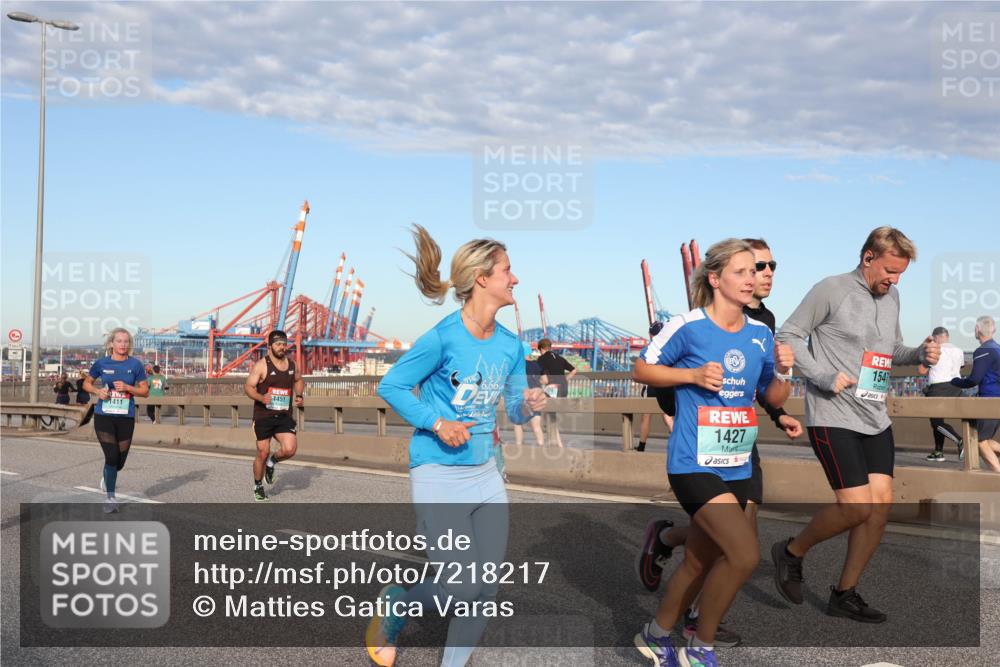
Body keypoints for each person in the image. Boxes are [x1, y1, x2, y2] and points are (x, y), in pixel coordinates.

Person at [368, 225, 546, 667]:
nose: (516, 279)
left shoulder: (510, 345)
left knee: (484, 590)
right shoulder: (444, 337)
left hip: (486, 475)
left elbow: (515, 411)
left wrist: (530, 405)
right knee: (464, 587)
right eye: (508, 270)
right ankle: (399, 605)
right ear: (483, 278)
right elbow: (392, 385)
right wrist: (437, 422)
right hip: (438, 474)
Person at [633, 238, 794, 667]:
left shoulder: (760, 333)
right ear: (715, 278)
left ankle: (655, 635)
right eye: (741, 271)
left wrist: (785, 369)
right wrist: (692, 374)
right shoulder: (687, 325)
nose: (752, 278)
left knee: (698, 561)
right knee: (744, 555)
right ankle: (699, 647)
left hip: (738, 462)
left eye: (756, 270)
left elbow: (772, 394)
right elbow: (641, 368)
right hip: (693, 462)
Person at [771, 227, 939, 623]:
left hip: (874, 416)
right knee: (856, 506)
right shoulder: (831, 289)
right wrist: (824, 375)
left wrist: (920, 352)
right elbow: (790, 335)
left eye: (900, 274)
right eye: (890, 271)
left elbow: (891, 350)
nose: (894, 280)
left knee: (878, 508)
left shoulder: (892, 296)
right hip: (834, 414)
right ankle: (791, 552)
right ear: (868, 257)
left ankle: (844, 593)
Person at [82, 328, 149, 514]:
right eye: (119, 341)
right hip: (104, 415)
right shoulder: (101, 363)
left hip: (125, 417)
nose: (123, 345)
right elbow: (86, 383)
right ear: (111, 343)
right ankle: (110, 498)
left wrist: (128, 387)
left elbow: (145, 391)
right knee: (111, 457)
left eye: (126, 341)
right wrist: (97, 391)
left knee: (119, 462)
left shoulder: (135, 365)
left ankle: (107, 476)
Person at [244, 330, 304, 501]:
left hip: (283, 415)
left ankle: (272, 464)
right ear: (270, 346)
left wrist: (299, 395)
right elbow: (248, 387)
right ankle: (258, 485)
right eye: (278, 344)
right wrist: (261, 397)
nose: (282, 347)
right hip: (263, 416)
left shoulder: (292, 365)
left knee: (290, 449)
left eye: (284, 344)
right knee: (262, 452)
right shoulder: (262, 365)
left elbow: (299, 380)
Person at [951, 315, 1000, 472]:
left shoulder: (983, 350)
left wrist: (955, 381)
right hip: (996, 400)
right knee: (984, 440)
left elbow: (974, 380)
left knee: (979, 442)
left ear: (977, 330)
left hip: (989, 400)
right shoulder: (997, 349)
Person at [918, 326, 966, 461]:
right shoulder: (958, 350)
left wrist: (923, 353)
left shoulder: (935, 349)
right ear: (947, 336)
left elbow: (921, 370)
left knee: (936, 423)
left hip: (938, 388)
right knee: (939, 421)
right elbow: (961, 367)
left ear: (935, 337)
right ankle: (938, 451)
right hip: (956, 388)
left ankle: (959, 440)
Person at [536, 338, 577, 447]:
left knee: (542, 411)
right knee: (551, 414)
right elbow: (574, 370)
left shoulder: (541, 359)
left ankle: (553, 442)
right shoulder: (560, 358)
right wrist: (565, 380)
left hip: (553, 388)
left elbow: (544, 380)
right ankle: (557, 442)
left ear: (541, 349)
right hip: (564, 389)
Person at [513, 342, 546, 446]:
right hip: (536, 397)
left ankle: (519, 447)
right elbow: (545, 380)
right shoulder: (538, 365)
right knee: (536, 427)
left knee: (517, 423)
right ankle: (541, 447)